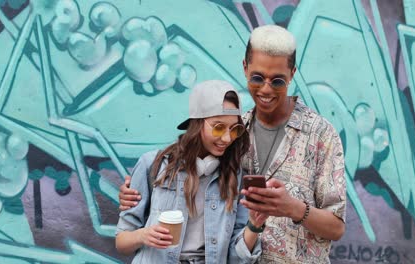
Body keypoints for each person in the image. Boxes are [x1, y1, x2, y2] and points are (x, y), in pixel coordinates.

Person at [119, 25, 346, 263]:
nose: (266, 89)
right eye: (258, 78)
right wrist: (139, 191)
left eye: (278, 81)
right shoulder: (233, 128)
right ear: (245, 68)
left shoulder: (321, 135)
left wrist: (293, 208)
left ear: (292, 74)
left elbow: (337, 228)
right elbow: (185, 174)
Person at [115, 80, 268, 264]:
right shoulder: (153, 165)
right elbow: (121, 242)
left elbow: (236, 258)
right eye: (218, 127)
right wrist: (143, 235)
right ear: (196, 124)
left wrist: (254, 225)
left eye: (234, 129)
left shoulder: (234, 178)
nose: (227, 138)